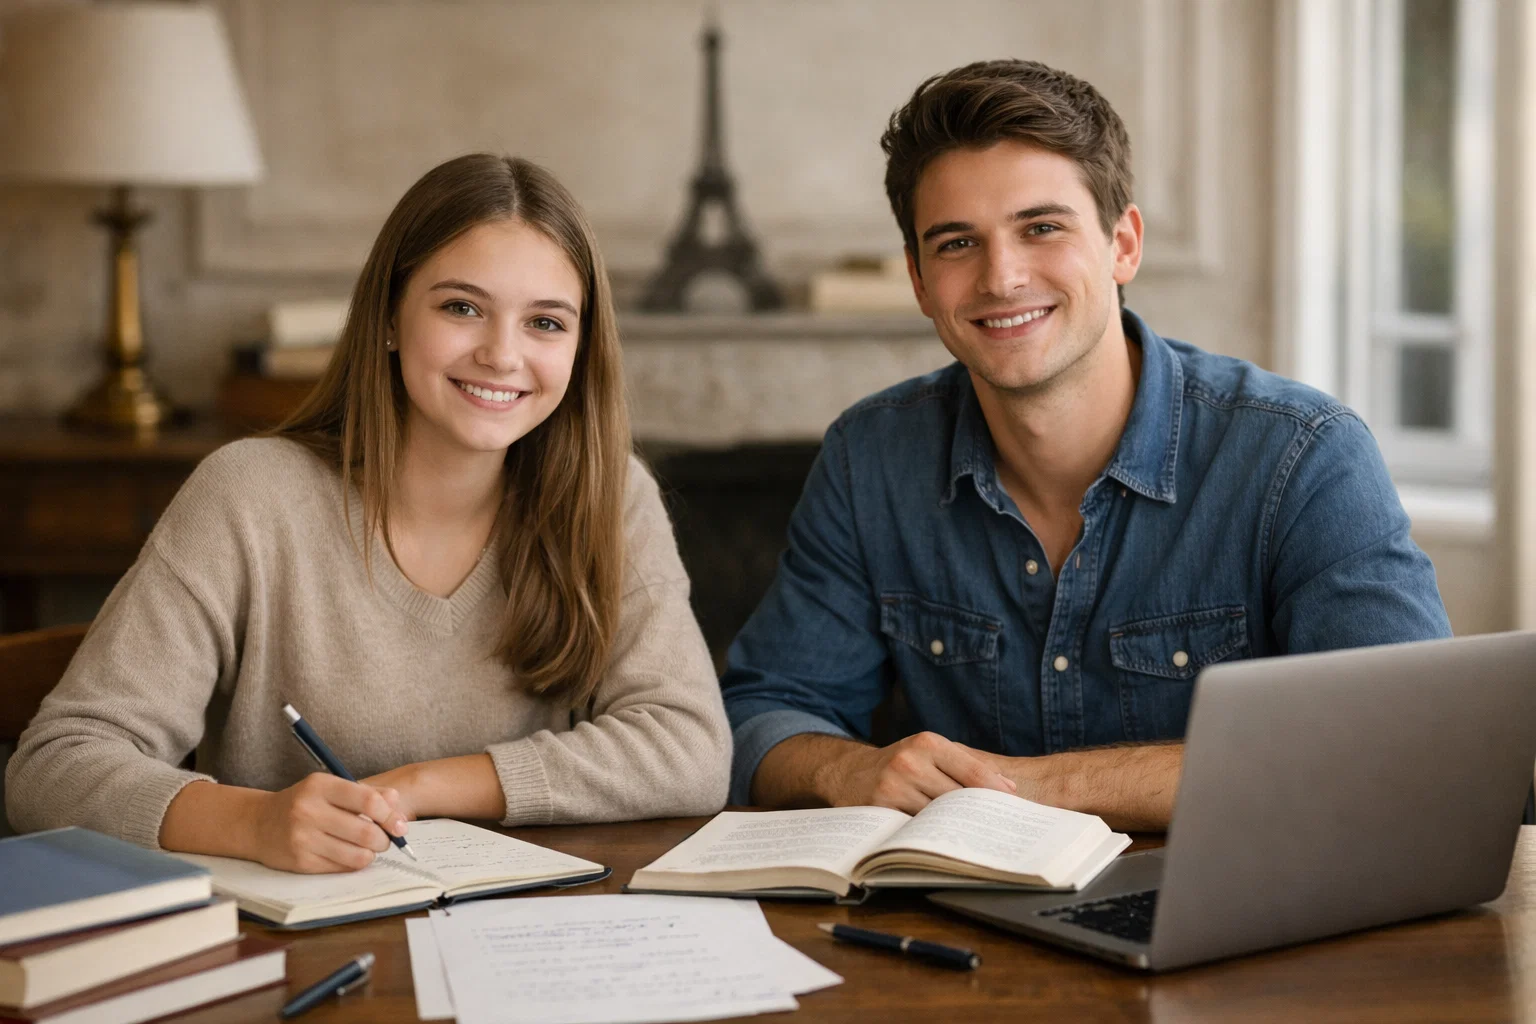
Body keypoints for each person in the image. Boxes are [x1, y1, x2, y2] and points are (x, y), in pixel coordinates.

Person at [721, 60, 1451, 831]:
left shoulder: (1302, 456)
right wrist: (852, 768)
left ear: (1123, 244)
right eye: (957, 243)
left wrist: (1026, 789)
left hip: (1235, 925)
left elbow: (1403, 746)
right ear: (919, 280)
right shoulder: (868, 459)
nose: (1002, 277)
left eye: (1042, 227)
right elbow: (762, 716)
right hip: (963, 931)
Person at [7, 153, 731, 872]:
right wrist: (253, 821)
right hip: (294, 945)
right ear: (388, 317)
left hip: (521, 937)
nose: (502, 354)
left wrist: (422, 785)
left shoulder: (610, 496)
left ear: (580, 348)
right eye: (461, 307)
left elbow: (691, 749)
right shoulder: (251, 496)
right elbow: (53, 768)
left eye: (545, 323)